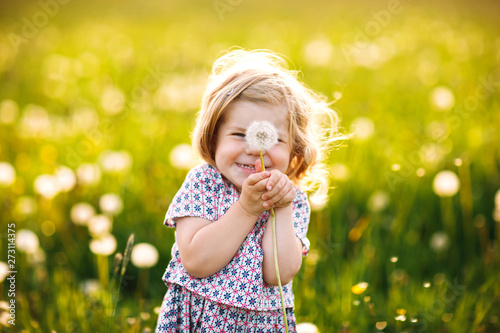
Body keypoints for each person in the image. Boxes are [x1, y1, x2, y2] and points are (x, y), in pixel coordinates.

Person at [155, 49, 340, 332]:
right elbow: (195, 261)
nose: (255, 148)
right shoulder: (204, 184)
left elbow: (278, 274)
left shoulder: (291, 199)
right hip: (200, 320)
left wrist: (281, 208)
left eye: (273, 138)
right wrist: (246, 209)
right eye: (240, 134)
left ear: (294, 150)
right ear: (214, 136)